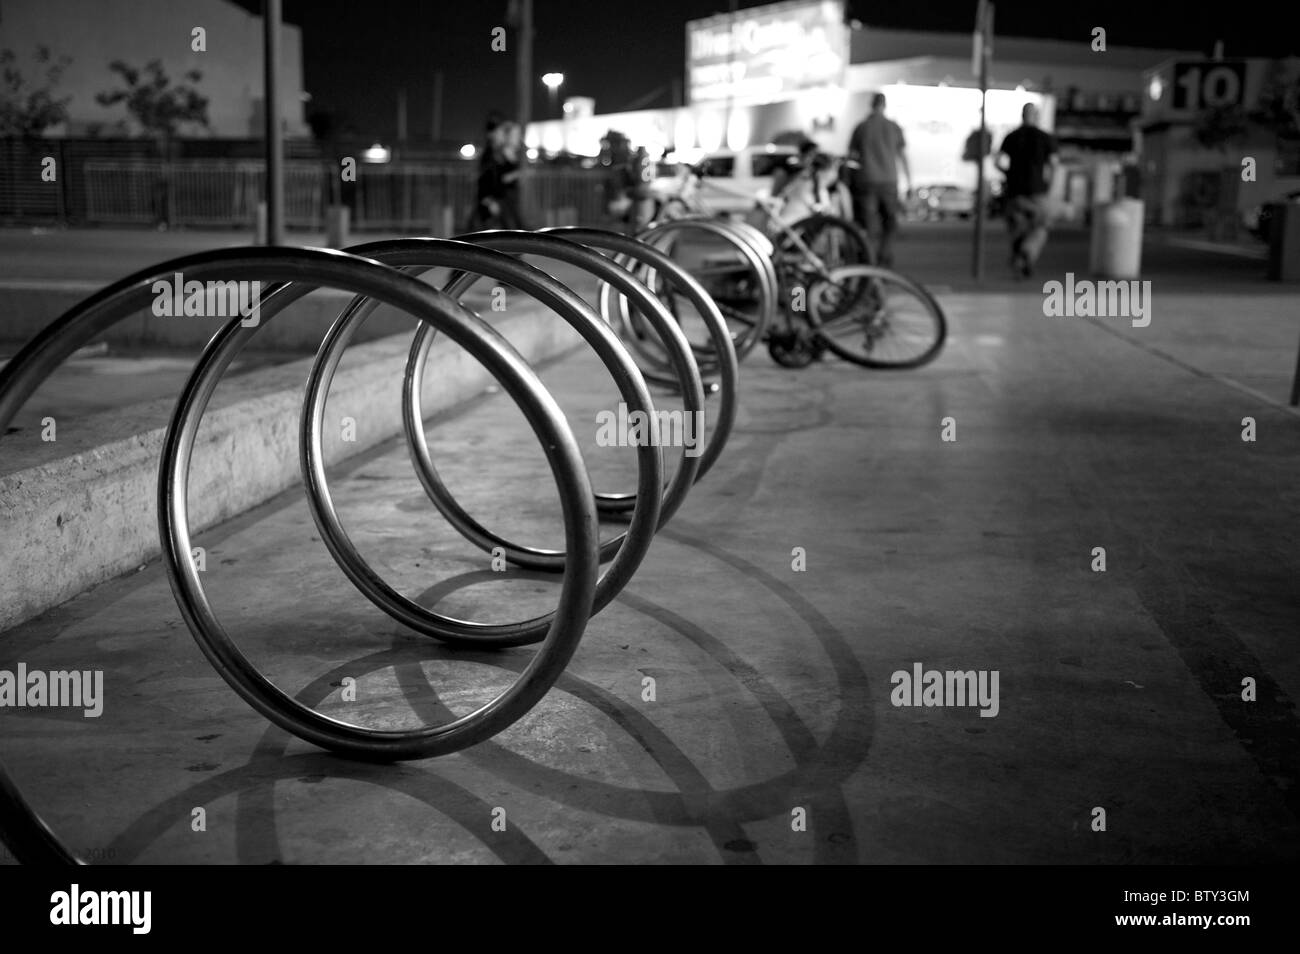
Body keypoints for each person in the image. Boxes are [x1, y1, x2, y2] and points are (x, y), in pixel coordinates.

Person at [847, 93, 911, 267]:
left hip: (865, 181)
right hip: (889, 181)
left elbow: (852, 156)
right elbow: (902, 156)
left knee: (868, 225)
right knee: (890, 224)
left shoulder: (861, 127)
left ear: (871, 105)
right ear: (884, 105)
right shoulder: (893, 127)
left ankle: (870, 259)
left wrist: (849, 180)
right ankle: (884, 256)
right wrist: (909, 180)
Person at [996, 103, 1059, 278]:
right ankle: (1027, 251)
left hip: (1014, 191)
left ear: (1022, 115)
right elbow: (1054, 165)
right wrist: (1049, 186)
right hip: (1037, 191)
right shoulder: (1045, 138)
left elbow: (997, 161)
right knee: (1042, 225)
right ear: (1036, 116)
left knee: (1017, 226)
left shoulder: (1011, 137)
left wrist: (1008, 174)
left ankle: (1020, 254)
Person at [468, 119, 525, 230]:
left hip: (499, 202)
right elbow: (485, 180)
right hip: (492, 203)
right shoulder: (490, 155)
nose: (502, 137)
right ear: (492, 135)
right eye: (500, 133)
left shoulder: (497, 154)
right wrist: (488, 201)